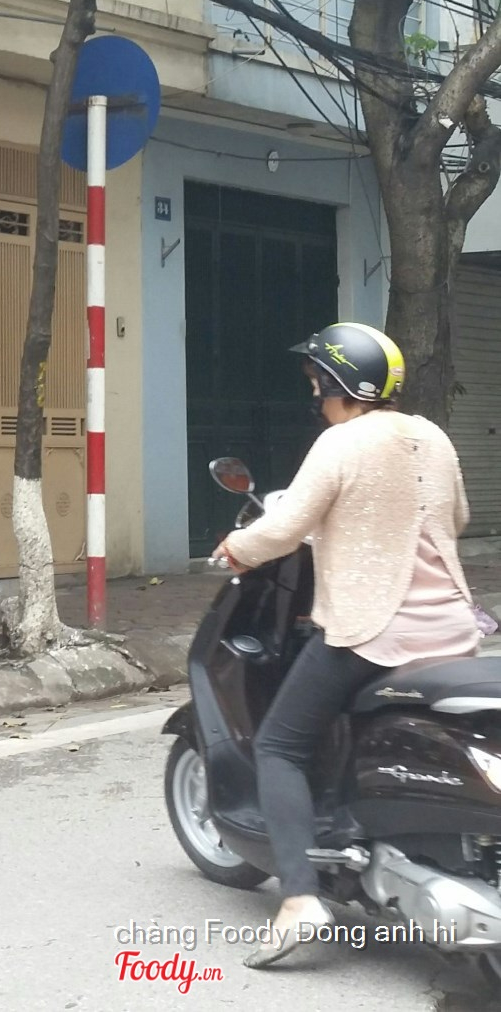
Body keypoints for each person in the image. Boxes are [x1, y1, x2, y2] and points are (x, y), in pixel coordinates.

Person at [212, 321, 479, 970]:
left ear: (340, 385)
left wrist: (237, 548)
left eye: (318, 384)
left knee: (279, 745)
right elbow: (458, 517)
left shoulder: (340, 442)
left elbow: (286, 527)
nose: (316, 396)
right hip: (454, 627)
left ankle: (299, 900)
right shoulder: (433, 436)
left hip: (374, 631)